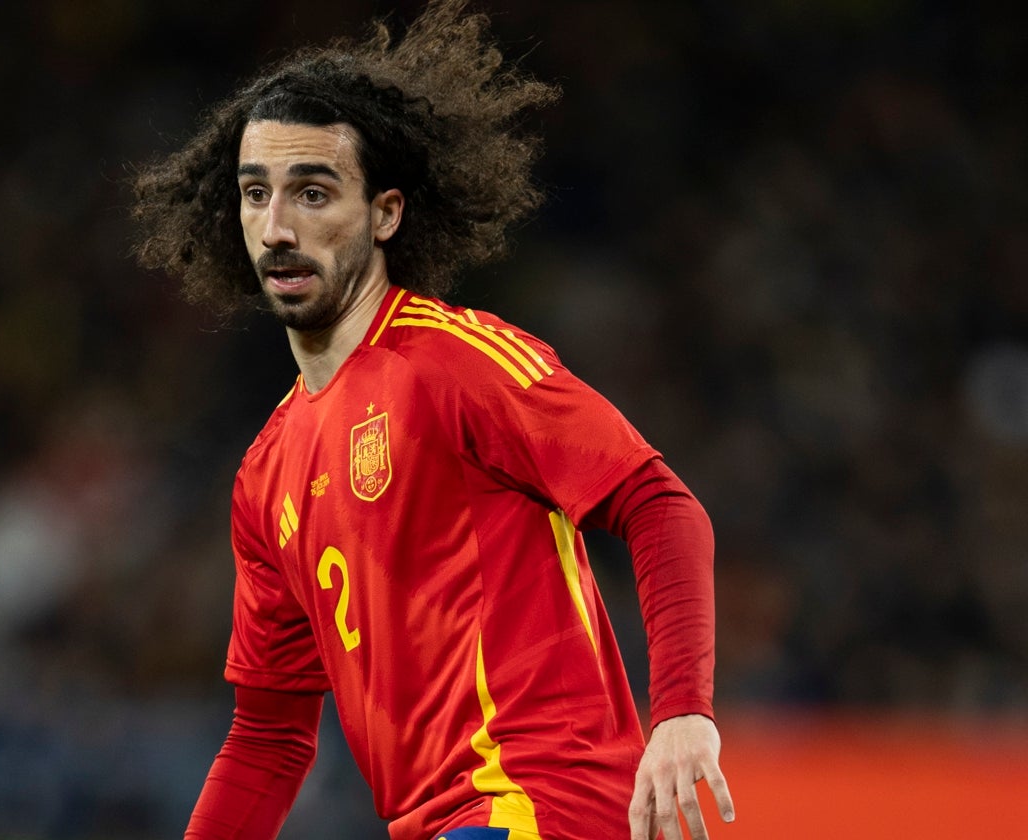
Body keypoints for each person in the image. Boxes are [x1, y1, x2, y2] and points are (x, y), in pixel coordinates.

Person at [131, 2, 734, 838]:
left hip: (537, 805)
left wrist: (681, 713)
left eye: (313, 192)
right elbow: (268, 736)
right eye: (256, 194)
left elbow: (661, 506)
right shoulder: (266, 472)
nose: (277, 228)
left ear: (385, 214)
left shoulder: (455, 364)